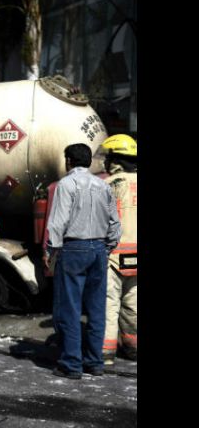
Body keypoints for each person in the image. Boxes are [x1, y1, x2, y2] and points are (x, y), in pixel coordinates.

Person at [45, 143, 121, 379]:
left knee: (70, 308)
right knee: (97, 308)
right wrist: (106, 247)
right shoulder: (103, 185)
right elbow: (115, 224)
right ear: (88, 162)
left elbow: (58, 222)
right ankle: (94, 362)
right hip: (99, 248)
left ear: (68, 161)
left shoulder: (65, 185)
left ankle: (71, 364)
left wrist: (51, 250)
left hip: (74, 248)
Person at [99, 134, 137, 365]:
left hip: (112, 255)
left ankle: (106, 353)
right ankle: (133, 349)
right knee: (133, 305)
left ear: (115, 159)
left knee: (108, 304)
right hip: (136, 256)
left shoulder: (108, 185)